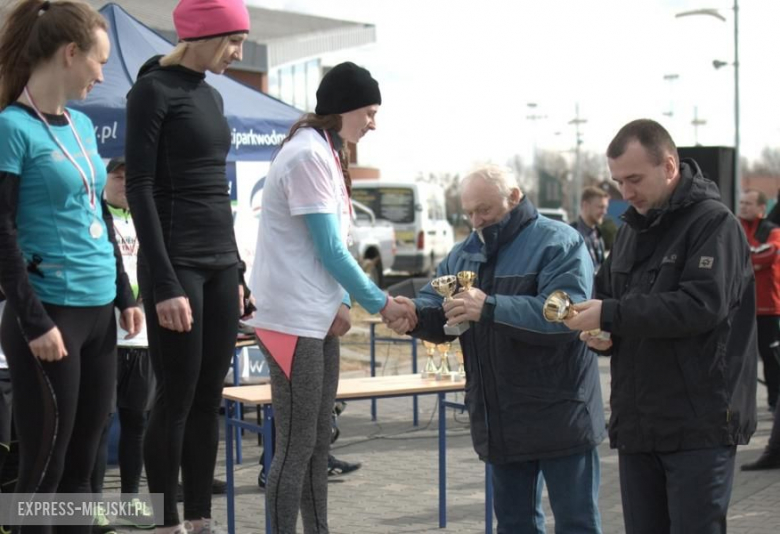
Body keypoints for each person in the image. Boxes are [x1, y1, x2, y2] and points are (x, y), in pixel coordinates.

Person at [388, 164, 606, 534]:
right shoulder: (465, 252)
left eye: (485, 210)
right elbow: (435, 302)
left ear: (515, 197)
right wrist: (413, 316)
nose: (476, 220)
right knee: (515, 525)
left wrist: (489, 307)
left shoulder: (560, 242)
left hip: (561, 414)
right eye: (469, 211)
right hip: (501, 417)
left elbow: (567, 315)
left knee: (577, 524)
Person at [245, 61, 415, 533]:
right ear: (343, 109)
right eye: (369, 111)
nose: (374, 123)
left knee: (318, 440)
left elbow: (329, 246)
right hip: (290, 321)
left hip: (315, 317)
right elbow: (330, 249)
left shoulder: (326, 152)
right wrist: (379, 303)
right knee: (297, 444)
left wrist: (341, 302)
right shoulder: (307, 156)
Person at [564, 119, 757, 534]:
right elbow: (610, 301)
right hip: (638, 425)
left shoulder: (714, 224)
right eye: (618, 182)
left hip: (698, 424)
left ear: (669, 166)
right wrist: (601, 336)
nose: (625, 193)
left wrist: (610, 316)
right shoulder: (631, 231)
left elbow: (700, 307)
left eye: (634, 179)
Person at [0, 2, 142, 533]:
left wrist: (125, 295)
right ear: (70, 54)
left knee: (85, 466)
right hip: (48, 316)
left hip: (99, 311)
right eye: (98, 63)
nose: (102, 75)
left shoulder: (82, 126)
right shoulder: (11, 128)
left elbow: (97, 211)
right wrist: (34, 321)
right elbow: (1, 232)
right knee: (45, 469)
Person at [124, 0, 253, 532]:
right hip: (176, 268)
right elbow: (139, 187)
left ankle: (199, 518)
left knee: (208, 398)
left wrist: (239, 269)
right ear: (201, 35)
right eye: (233, 41)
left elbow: (215, 193)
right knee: (174, 399)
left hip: (221, 263)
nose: (239, 52)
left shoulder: (213, 95)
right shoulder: (152, 90)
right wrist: (164, 282)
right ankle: (165, 521)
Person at [738, 189, 780, 412]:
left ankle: (775, 402)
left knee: (771, 358)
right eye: (741, 203)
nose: (743, 207)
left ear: (762, 208)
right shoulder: (733, 226)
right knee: (739, 358)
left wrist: (741, 259)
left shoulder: (772, 230)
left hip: (768, 307)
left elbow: (768, 256)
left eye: (748, 203)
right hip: (739, 307)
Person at [572, 186, 609, 272]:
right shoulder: (572, 236)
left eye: (605, 208)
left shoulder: (598, 236)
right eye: (601, 207)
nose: (604, 212)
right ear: (585, 205)